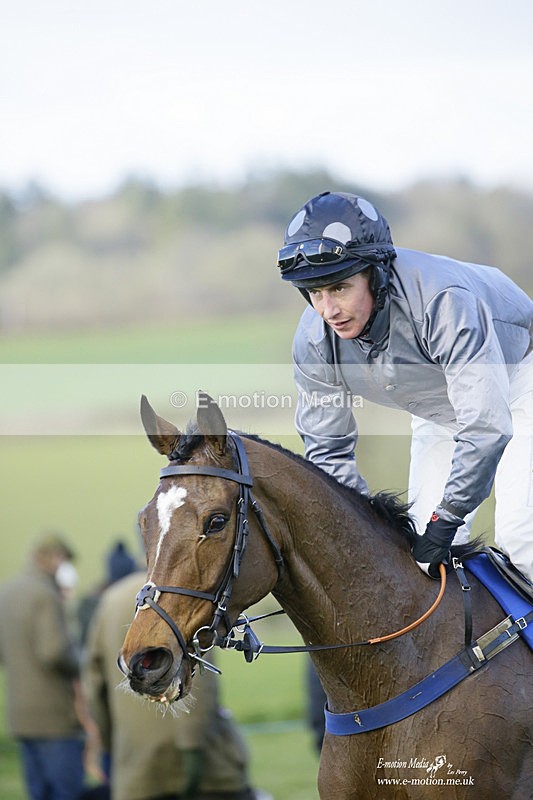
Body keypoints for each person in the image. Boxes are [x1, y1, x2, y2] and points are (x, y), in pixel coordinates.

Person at [276, 190, 533, 582]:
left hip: (519, 381)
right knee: (421, 562)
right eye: (315, 293)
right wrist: (359, 532)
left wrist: (447, 518)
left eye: (340, 288)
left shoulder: (443, 302)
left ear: (376, 275)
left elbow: (485, 426)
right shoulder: (313, 340)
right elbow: (328, 451)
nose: (327, 310)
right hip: (442, 406)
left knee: (521, 541)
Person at [82, 569, 271, 800]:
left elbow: (94, 689)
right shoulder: (183, 593)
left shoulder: (109, 602)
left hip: (138, 775)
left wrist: (113, 749)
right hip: (208, 773)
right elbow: (200, 683)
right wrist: (192, 749)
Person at [0, 534, 85, 800]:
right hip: (54, 717)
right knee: (66, 791)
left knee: (38, 791)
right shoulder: (46, 595)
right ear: (54, 558)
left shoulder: (7, 592)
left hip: (20, 716)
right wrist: (81, 662)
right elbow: (54, 651)